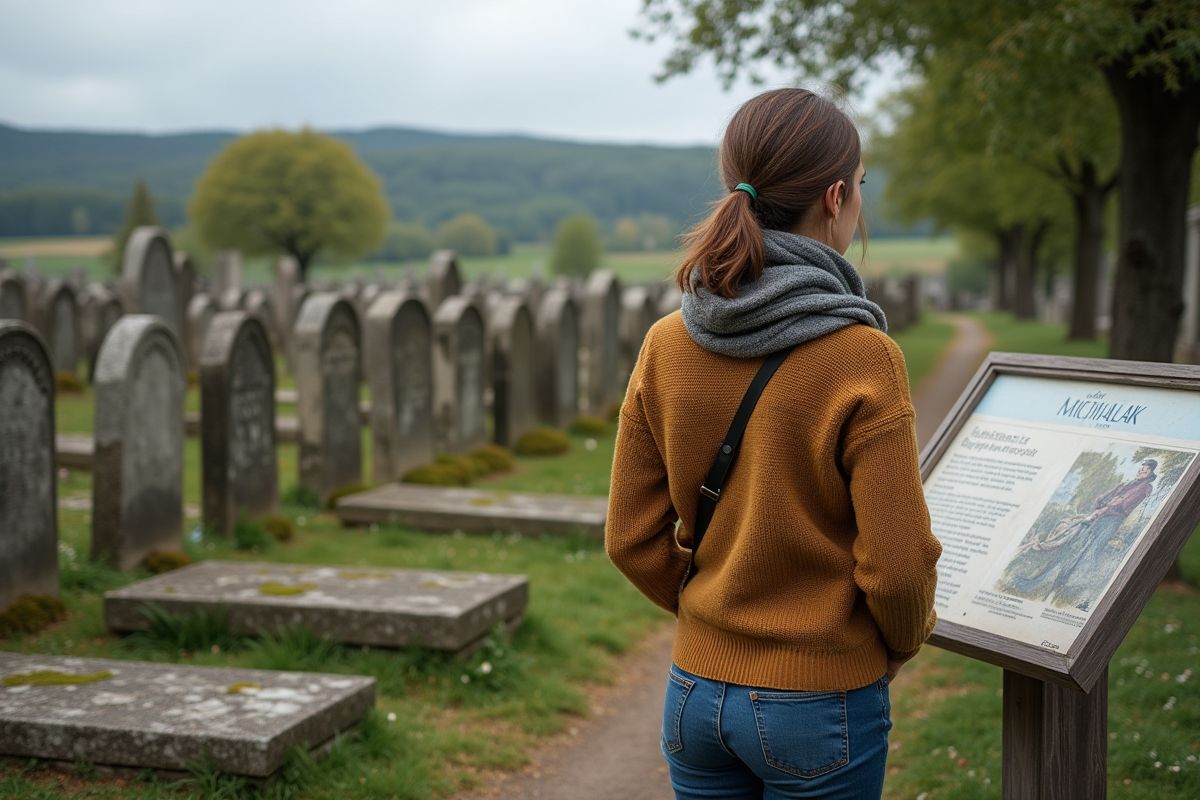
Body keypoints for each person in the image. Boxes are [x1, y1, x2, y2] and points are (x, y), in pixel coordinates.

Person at [605, 88, 941, 800]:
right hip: (822, 704)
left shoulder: (668, 342)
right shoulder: (862, 355)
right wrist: (897, 644)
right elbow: (900, 567)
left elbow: (629, 540)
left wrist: (718, 617)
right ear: (836, 195)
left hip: (693, 695)